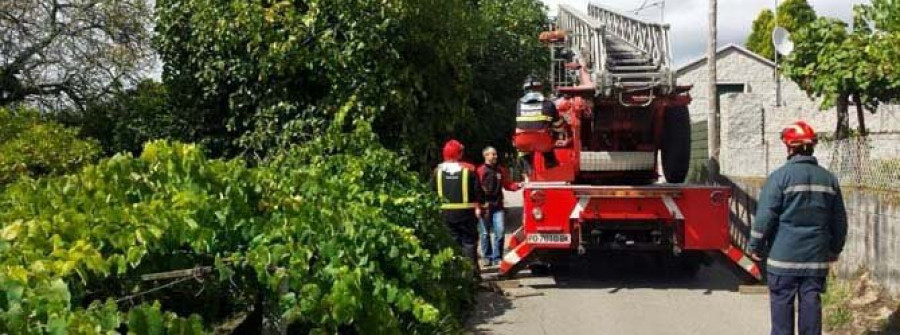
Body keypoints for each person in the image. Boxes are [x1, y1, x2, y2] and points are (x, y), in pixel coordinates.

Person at [749, 121, 848, 335]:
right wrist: (835, 249)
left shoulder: (779, 178)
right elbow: (839, 220)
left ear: (789, 148)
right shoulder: (829, 179)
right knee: (811, 303)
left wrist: (755, 246)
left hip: (782, 260)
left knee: (782, 309)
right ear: (811, 147)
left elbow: (765, 216)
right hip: (815, 260)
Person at [433, 139, 484, 276]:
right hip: (466, 213)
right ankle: (472, 274)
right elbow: (478, 192)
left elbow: (431, 192)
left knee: (452, 243)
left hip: (445, 214)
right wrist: (481, 206)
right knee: (469, 242)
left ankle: (454, 274)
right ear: (458, 154)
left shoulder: (437, 171)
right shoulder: (469, 169)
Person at [476, 146, 523, 267]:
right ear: (486, 156)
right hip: (484, 207)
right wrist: (478, 205)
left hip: (498, 206)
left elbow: (507, 185)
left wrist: (518, 185)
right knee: (485, 233)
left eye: (496, 154)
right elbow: (475, 189)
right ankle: (487, 257)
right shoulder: (480, 171)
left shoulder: (500, 170)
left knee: (500, 232)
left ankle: (497, 257)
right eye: (493, 154)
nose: (495, 156)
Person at [514, 76, 565, 175]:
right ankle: (550, 162)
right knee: (548, 145)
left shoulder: (519, 103)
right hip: (542, 140)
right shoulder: (548, 104)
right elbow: (558, 125)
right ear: (540, 88)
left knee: (522, 147)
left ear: (525, 89)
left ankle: (527, 165)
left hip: (522, 141)